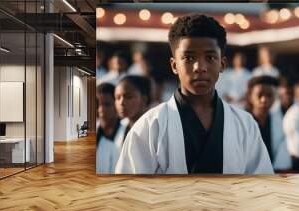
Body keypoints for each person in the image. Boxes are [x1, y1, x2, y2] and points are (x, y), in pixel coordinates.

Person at [115, 14, 274, 174]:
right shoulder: (149, 127)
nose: (199, 67)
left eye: (210, 57)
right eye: (189, 57)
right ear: (174, 65)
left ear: (222, 64)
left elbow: (261, 188)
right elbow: (128, 191)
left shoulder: (245, 125)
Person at [246, 76, 292, 172]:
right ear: (250, 97)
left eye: (269, 95)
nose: (264, 99)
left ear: (274, 98)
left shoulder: (281, 122)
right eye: (260, 95)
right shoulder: (242, 122)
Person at [96, 83, 127, 174]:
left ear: (117, 104)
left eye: (106, 104)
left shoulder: (127, 131)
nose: (100, 109)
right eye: (97, 104)